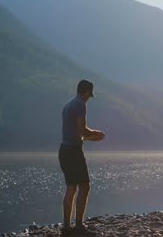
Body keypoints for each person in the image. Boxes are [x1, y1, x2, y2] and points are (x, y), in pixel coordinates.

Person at [59, 79, 105, 234]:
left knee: (71, 188)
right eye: (89, 95)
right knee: (85, 186)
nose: (88, 98)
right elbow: (83, 130)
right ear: (86, 92)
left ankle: (66, 226)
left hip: (64, 150)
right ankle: (78, 226)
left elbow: (76, 134)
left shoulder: (68, 104)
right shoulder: (80, 105)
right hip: (73, 152)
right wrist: (97, 133)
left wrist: (92, 138)